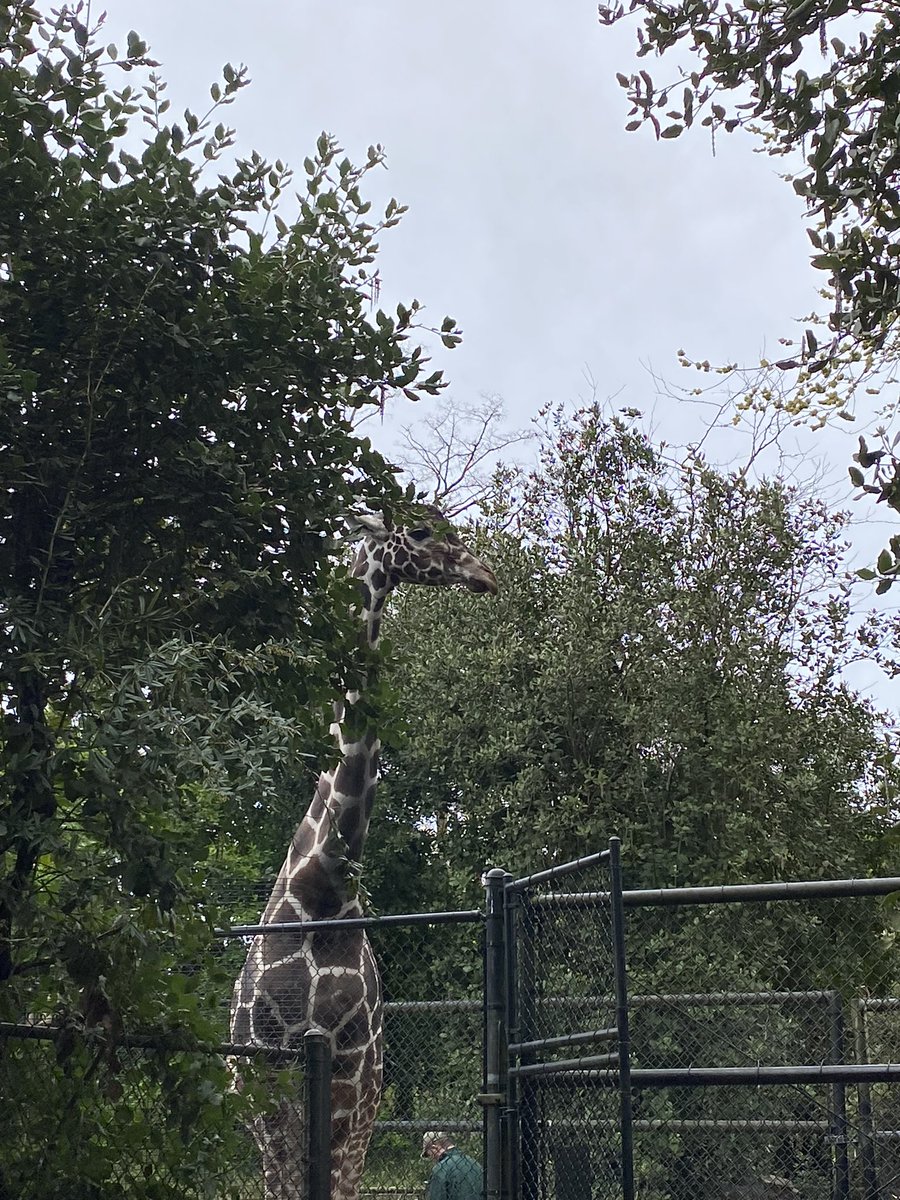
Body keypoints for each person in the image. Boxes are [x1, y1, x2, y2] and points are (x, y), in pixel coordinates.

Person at [421, 1131, 482, 1200]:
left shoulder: (441, 1169)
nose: (431, 1158)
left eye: (428, 1154)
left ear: (434, 1147)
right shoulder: (474, 1163)